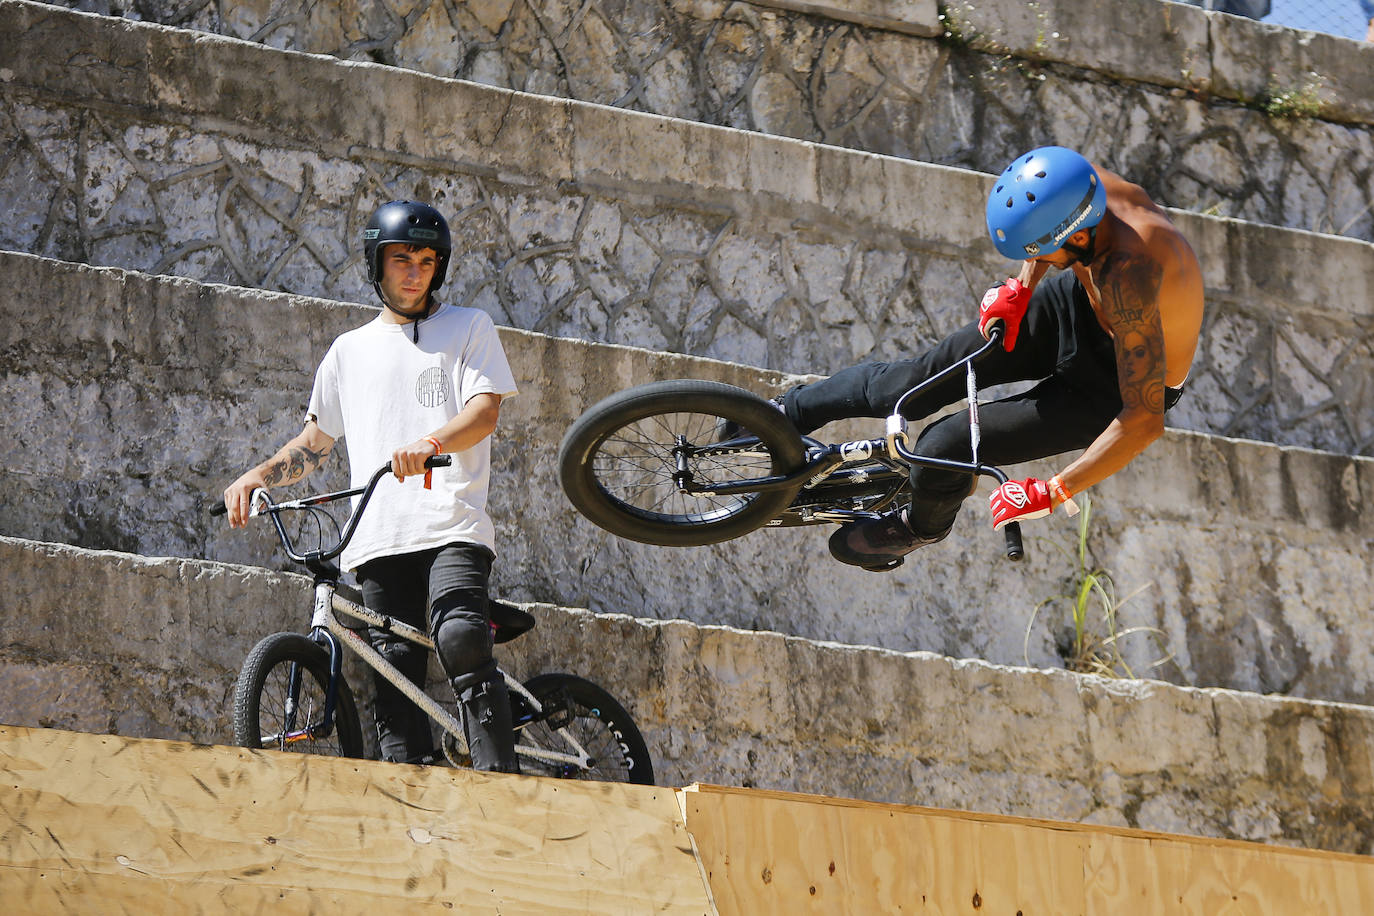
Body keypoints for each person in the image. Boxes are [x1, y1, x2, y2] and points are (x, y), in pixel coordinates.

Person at [776, 146, 1204, 571]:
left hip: (1116, 387)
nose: (1037, 259)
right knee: (908, 385)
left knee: (947, 444)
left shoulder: (1130, 269)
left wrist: (1053, 492)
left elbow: (1144, 420)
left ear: (1077, 237)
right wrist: (1020, 290)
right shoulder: (1072, 184)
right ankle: (780, 415)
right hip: (1077, 308)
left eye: (1042, 252)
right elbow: (1044, 234)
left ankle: (918, 526)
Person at [222, 200, 522, 771]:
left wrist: (431, 444)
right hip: (377, 540)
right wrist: (259, 474)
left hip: (451, 524)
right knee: (392, 682)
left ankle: (503, 788)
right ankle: (408, 812)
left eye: (427, 261)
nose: (414, 272)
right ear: (377, 264)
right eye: (401, 259)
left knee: (459, 634)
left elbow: (485, 413)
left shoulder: (468, 327)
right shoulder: (347, 352)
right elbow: (314, 443)